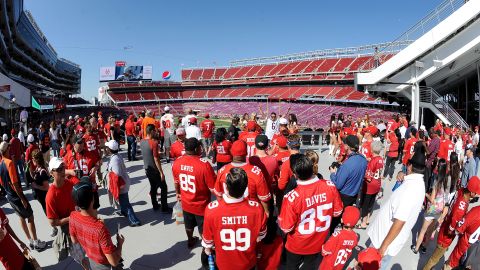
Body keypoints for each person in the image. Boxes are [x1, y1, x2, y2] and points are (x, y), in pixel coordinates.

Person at [278, 154, 343, 270]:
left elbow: (286, 228)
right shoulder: (330, 186)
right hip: (318, 241)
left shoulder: (291, 197)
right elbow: (337, 212)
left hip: (296, 244)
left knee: (291, 266)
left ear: (295, 174)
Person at [367, 148, 426, 270]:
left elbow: (400, 221)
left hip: (383, 242)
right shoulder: (418, 183)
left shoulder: (409, 190)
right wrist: (403, 176)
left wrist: (382, 248)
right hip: (386, 240)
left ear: (409, 166)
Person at [202, 168, 267, 270]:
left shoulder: (212, 210)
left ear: (225, 187)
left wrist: (208, 249)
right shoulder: (257, 208)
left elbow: (208, 242)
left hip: (224, 264)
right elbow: (261, 235)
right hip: (248, 262)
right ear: (246, 188)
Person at [422, 175, 480, 270]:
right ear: (472, 193)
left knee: (437, 256)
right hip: (446, 237)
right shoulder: (462, 206)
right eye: (477, 193)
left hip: (444, 225)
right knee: (434, 259)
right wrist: (456, 231)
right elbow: (454, 226)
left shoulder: (461, 191)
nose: (478, 195)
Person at [0, 142, 46, 250]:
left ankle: (30, 241)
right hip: (16, 196)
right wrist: (22, 198)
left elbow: (2, 183)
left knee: (21, 217)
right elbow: (15, 184)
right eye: (9, 147)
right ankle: (36, 242)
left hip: (10, 196)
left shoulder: (1, 163)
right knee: (30, 216)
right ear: (7, 149)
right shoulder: (9, 163)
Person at [70, 181, 125, 269]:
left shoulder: (72, 216)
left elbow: (74, 240)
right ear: (92, 199)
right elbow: (114, 262)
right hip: (105, 266)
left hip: (92, 261)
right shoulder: (100, 229)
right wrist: (120, 244)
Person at [172, 138, 216, 248]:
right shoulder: (204, 165)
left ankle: (190, 240)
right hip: (201, 205)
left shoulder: (177, 162)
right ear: (197, 148)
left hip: (186, 202)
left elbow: (176, 182)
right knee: (203, 228)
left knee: (188, 225)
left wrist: (177, 193)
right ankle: (207, 247)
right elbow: (213, 188)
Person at [214, 140, 271, 214]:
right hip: (251, 211)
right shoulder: (256, 172)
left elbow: (219, 195)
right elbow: (264, 198)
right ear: (246, 153)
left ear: (231, 152)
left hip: (229, 211)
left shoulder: (222, 170)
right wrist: (266, 212)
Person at [329, 135, 368, 232]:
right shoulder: (363, 159)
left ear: (347, 146)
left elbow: (338, 184)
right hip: (354, 194)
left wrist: (333, 173)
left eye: (344, 144)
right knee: (346, 218)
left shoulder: (347, 164)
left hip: (343, 195)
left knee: (336, 218)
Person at [412, 158, 449, 254]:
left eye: (437, 165)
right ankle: (424, 247)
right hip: (440, 208)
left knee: (423, 230)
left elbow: (432, 200)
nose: (436, 166)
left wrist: (425, 194)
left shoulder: (437, 181)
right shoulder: (447, 181)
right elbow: (446, 198)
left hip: (433, 207)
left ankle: (416, 248)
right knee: (430, 230)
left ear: (439, 168)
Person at [106, 140, 141, 227]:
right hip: (123, 183)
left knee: (125, 202)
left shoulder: (115, 160)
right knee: (123, 201)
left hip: (121, 185)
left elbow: (117, 175)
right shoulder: (116, 156)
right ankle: (124, 211)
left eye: (107, 148)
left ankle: (134, 220)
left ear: (110, 149)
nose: (106, 149)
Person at [140, 124, 171, 213]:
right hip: (154, 169)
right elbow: (156, 159)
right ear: (152, 131)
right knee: (164, 187)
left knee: (153, 187)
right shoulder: (154, 143)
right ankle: (164, 208)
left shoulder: (142, 141)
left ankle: (155, 205)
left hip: (147, 168)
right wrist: (161, 172)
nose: (156, 132)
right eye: (155, 131)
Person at [444, 205, 480, 270]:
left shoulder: (477, 210)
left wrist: (456, 230)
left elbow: (461, 225)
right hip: (476, 253)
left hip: (466, 243)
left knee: (453, 262)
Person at [358, 141, 384, 229]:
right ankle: (368, 219)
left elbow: (368, 177)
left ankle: (363, 223)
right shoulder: (380, 159)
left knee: (365, 203)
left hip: (370, 185)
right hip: (377, 183)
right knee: (371, 202)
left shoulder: (373, 161)